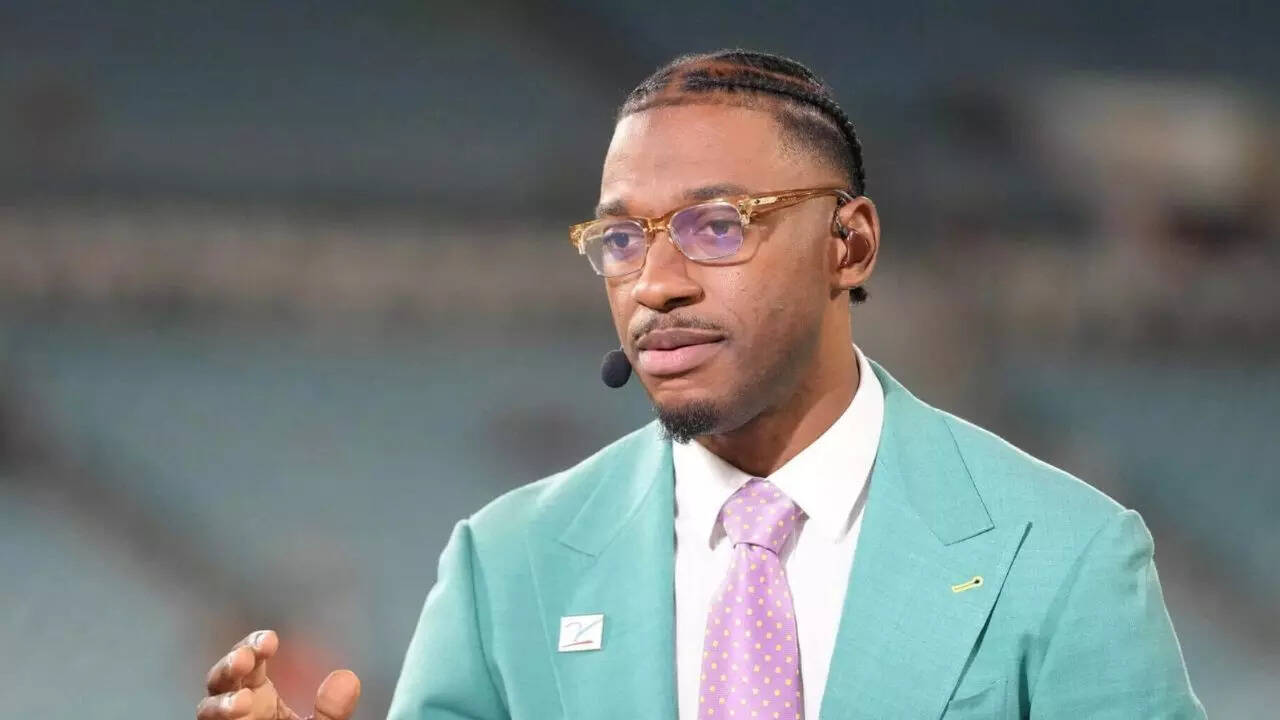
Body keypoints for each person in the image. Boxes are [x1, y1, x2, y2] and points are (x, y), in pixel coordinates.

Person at [197, 49, 1205, 720]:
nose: (656, 282)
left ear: (849, 244)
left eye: (718, 226)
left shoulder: (1062, 556)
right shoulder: (504, 566)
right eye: (621, 239)